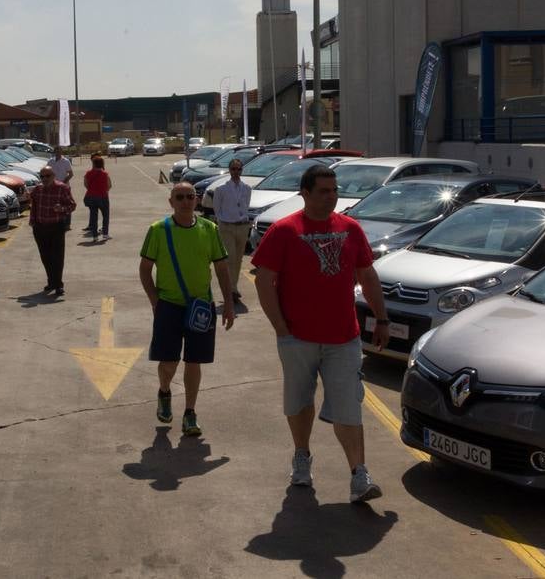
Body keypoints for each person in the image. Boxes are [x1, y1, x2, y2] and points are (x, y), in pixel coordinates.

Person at [252, 164, 390, 504]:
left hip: (343, 338)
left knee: (348, 407)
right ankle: (302, 455)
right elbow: (263, 280)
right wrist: (281, 328)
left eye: (334, 190)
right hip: (297, 338)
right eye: (324, 191)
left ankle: (359, 475)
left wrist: (381, 318)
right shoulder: (285, 231)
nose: (332, 196)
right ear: (305, 193)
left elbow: (368, 276)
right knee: (299, 401)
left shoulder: (350, 228)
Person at [139, 181, 234, 437]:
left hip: (201, 307)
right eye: (179, 197)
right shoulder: (159, 230)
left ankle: (190, 413)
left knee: (194, 362)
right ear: (171, 202)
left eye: (189, 196)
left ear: (197, 200)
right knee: (168, 362)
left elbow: (222, 268)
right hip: (168, 306)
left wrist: (229, 303)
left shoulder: (209, 229)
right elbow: (145, 269)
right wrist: (154, 301)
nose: (184, 201)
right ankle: (165, 391)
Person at [210, 157, 252, 308]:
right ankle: (231, 290)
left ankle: (234, 287)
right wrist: (223, 221)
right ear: (229, 170)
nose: (236, 172)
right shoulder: (221, 189)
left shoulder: (247, 188)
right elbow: (217, 207)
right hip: (226, 226)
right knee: (230, 259)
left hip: (242, 226)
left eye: (239, 169)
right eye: (233, 169)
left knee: (239, 259)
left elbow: (245, 206)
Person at [28, 165, 76, 296]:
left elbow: (72, 205)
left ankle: (58, 284)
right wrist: (32, 221)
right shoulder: (37, 190)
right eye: (42, 176)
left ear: (53, 176)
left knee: (57, 257)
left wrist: (62, 209)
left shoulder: (62, 188)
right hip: (40, 227)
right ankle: (51, 282)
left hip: (56, 227)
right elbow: (33, 206)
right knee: (45, 257)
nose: (44, 179)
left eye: (47, 176)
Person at [83, 155, 112, 240]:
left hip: (91, 197)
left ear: (94, 164)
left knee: (94, 216)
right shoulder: (105, 174)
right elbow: (109, 185)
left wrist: (92, 189)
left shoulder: (88, 173)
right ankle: (105, 234)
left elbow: (85, 184)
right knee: (105, 216)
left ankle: (95, 236)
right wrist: (104, 190)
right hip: (103, 196)